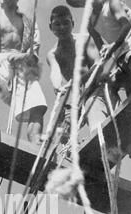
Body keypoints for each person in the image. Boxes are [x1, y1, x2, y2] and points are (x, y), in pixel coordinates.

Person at [66, 0, 131, 129]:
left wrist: (112, 46)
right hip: (123, 59)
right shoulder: (91, 24)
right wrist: (104, 52)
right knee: (109, 83)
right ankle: (111, 126)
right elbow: (103, 50)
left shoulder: (112, 3)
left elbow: (126, 26)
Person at [0, 0, 47, 145]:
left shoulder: (27, 19)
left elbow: (34, 50)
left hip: (22, 64)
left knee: (38, 102)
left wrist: (22, 56)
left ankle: (36, 140)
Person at [47, 5, 100, 140]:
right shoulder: (53, 54)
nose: (62, 28)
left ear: (73, 23)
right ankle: (70, 145)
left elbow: (97, 64)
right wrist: (57, 86)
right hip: (75, 94)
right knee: (60, 126)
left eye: (66, 22)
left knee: (93, 115)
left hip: (94, 85)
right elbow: (55, 72)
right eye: (57, 24)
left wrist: (76, 82)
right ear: (51, 27)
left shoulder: (84, 39)